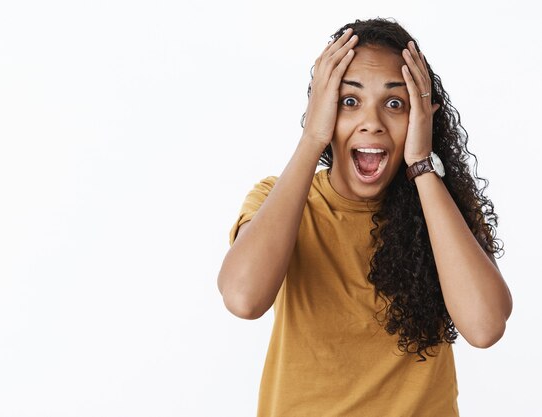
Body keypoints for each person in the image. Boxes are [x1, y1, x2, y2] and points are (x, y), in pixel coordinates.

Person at [216, 17, 513, 416]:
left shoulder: (442, 206)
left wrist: (422, 165)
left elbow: (485, 326)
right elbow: (242, 298)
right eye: (349, 101)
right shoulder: (279, 199)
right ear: (323, 111)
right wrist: (311, 139)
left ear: (421, 117)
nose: (371, 122)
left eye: (395, 104)